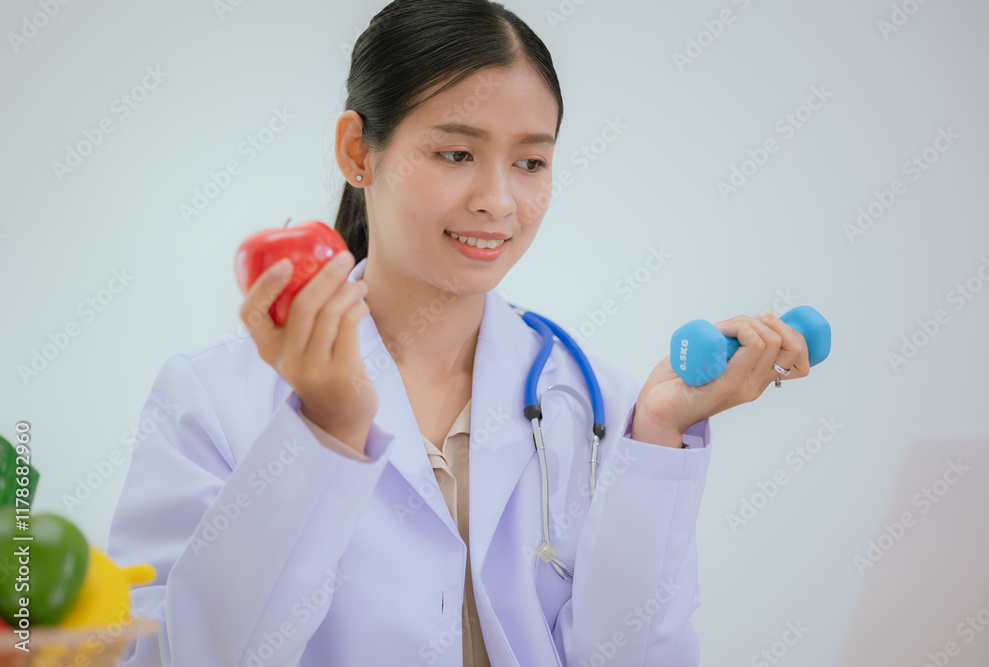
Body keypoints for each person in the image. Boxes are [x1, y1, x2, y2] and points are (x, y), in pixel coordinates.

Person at [108, 0, 811, 665]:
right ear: (358, 151)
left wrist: (658, 435)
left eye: (530, 162)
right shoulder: (213, 399)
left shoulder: (598, 406)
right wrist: (324, 434)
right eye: (456, 154)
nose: (499, 200)